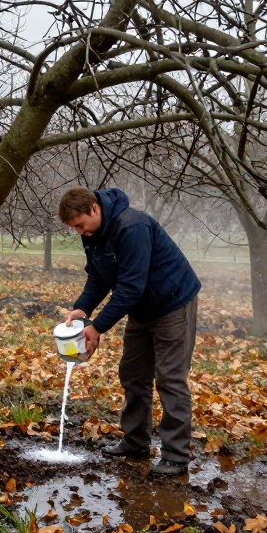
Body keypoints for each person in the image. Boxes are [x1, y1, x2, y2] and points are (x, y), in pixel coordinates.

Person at [58, 187, 201, 476]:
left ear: (94, 210)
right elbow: (98, 278)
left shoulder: (132, 226)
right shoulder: (94, 235)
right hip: (141, 308)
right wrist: (82, 310)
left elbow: (131, 285)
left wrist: (97, 328)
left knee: (170, 379)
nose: (78, 232)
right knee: (133, 374)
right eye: (73, 227)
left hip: (172, 303)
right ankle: (136, 441)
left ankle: (175, 454)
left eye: (80, 224)